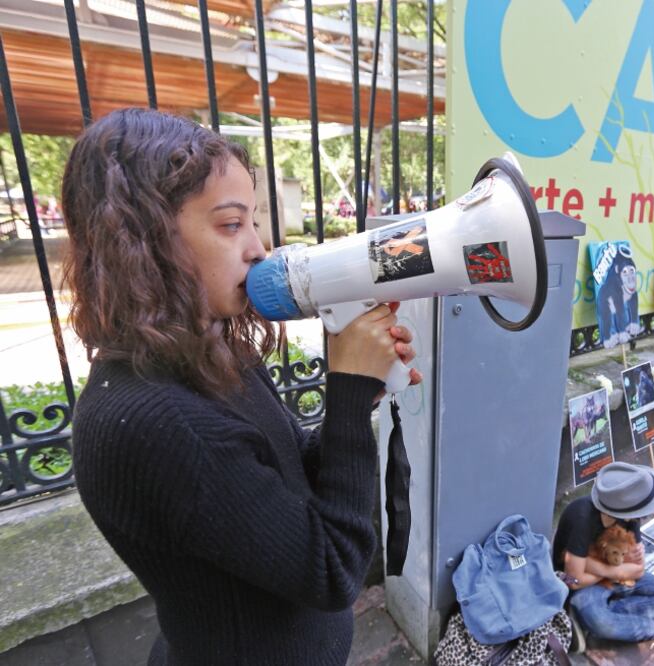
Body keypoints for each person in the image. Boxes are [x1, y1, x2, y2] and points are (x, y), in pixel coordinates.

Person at [62, 108, 421, 665]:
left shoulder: (206, 352)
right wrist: (347, 399)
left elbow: (279, 473)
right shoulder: (160, 421)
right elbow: (332, 570)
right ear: (141, 239)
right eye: (232, 225)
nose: (259, 247)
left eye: (253, 221)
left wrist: (360, 393)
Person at [551, 462, 654, 647]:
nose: (649, 513)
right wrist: (617, 571)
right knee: (603, 624)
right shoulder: (581, 517)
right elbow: (574, 580)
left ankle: (596, 616)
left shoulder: (629, 515)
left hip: (607, 574)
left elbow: (637, 570)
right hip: (585, 586)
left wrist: (596, 567)